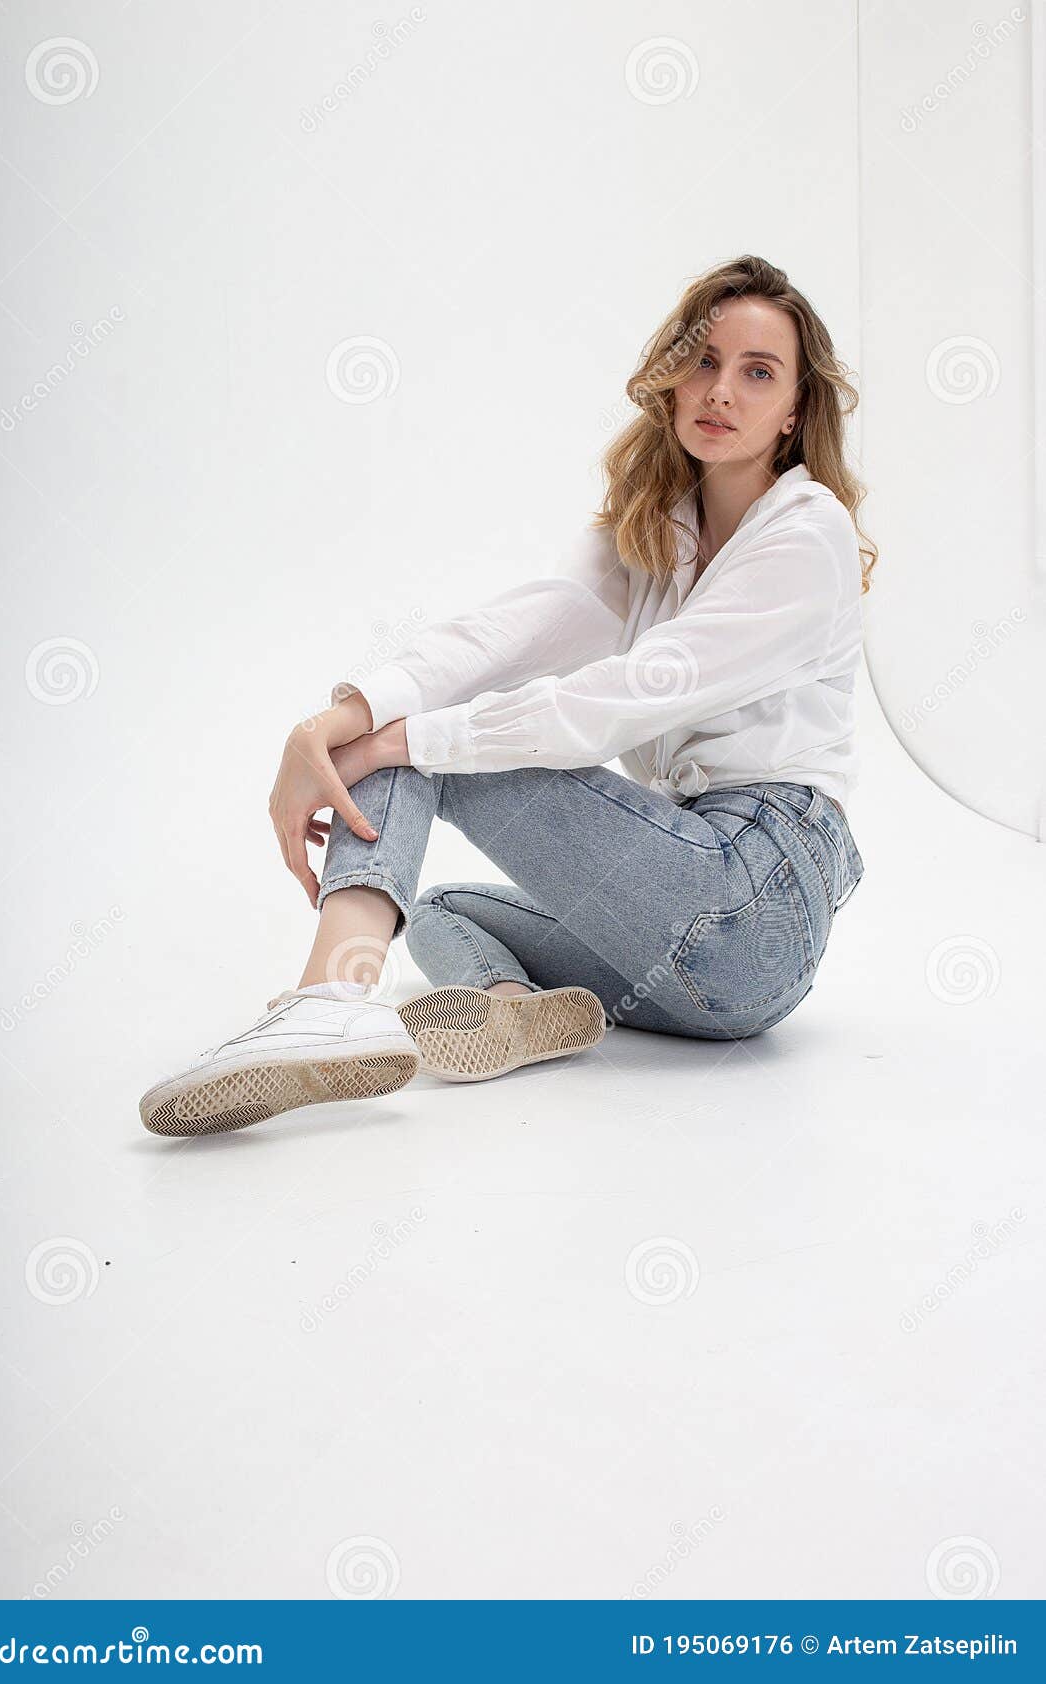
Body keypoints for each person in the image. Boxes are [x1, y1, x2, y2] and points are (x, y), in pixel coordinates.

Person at [139, 254, 873, 1137]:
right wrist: (340, 719)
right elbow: (509, 636)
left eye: (757, 373)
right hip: (707, 992)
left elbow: (628, 693)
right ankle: (513, 1008)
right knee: (442, 910)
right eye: (704, 362)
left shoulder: (807, 534)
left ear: (794, 411)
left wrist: (391, 745)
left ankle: (329, 998)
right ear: (672, 380)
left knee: (437, 746)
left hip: (753, 889)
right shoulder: (654, 533)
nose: (721, 390)